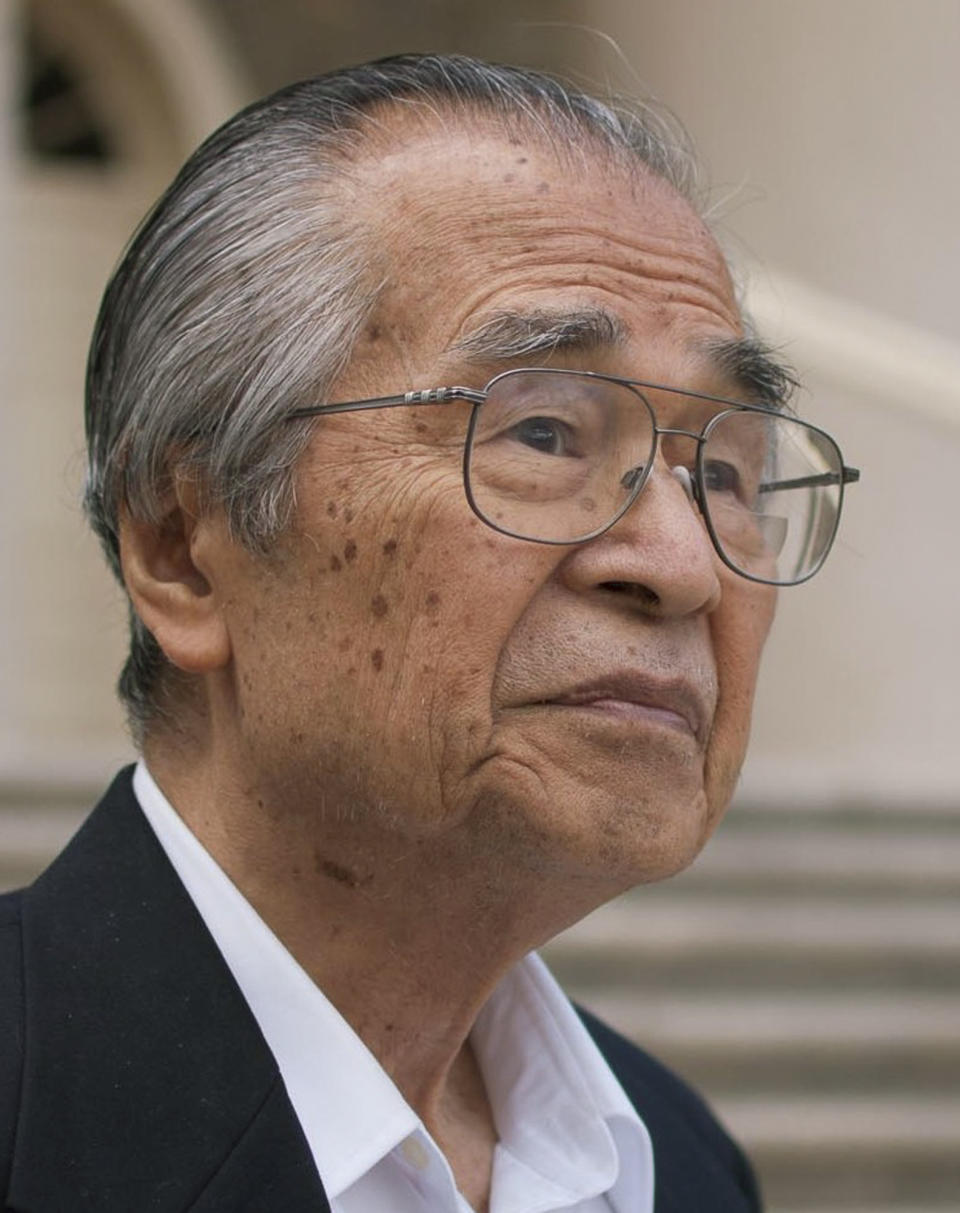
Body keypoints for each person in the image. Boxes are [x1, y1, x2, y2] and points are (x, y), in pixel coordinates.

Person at [0, 54, 858, 1213]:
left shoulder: (675, 1158)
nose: (684, 565)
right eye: (546, 433)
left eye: (722, 469)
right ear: (180, 549)